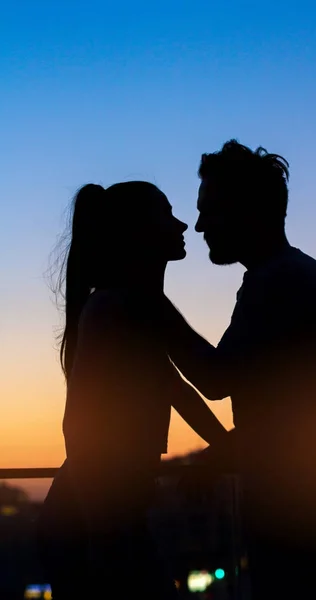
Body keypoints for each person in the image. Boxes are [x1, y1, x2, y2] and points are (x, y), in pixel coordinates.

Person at [162, 140, 316, 599]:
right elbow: (284, 417)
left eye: (209, 210)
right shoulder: (287, 276)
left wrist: (152, 306)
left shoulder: (277, 281)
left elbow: (217, 379)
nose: (198, 226)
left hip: (301, 510)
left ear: (245, 211)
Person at [36, 181, 229, 599]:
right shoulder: (122, 306)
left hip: (97, 518)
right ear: (136, 232)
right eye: (166, 213)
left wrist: (228, 445)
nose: (181, 225)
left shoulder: (130, 305)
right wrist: (105, 527)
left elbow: (179, 388)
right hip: (95, 523)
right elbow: (79, 426)